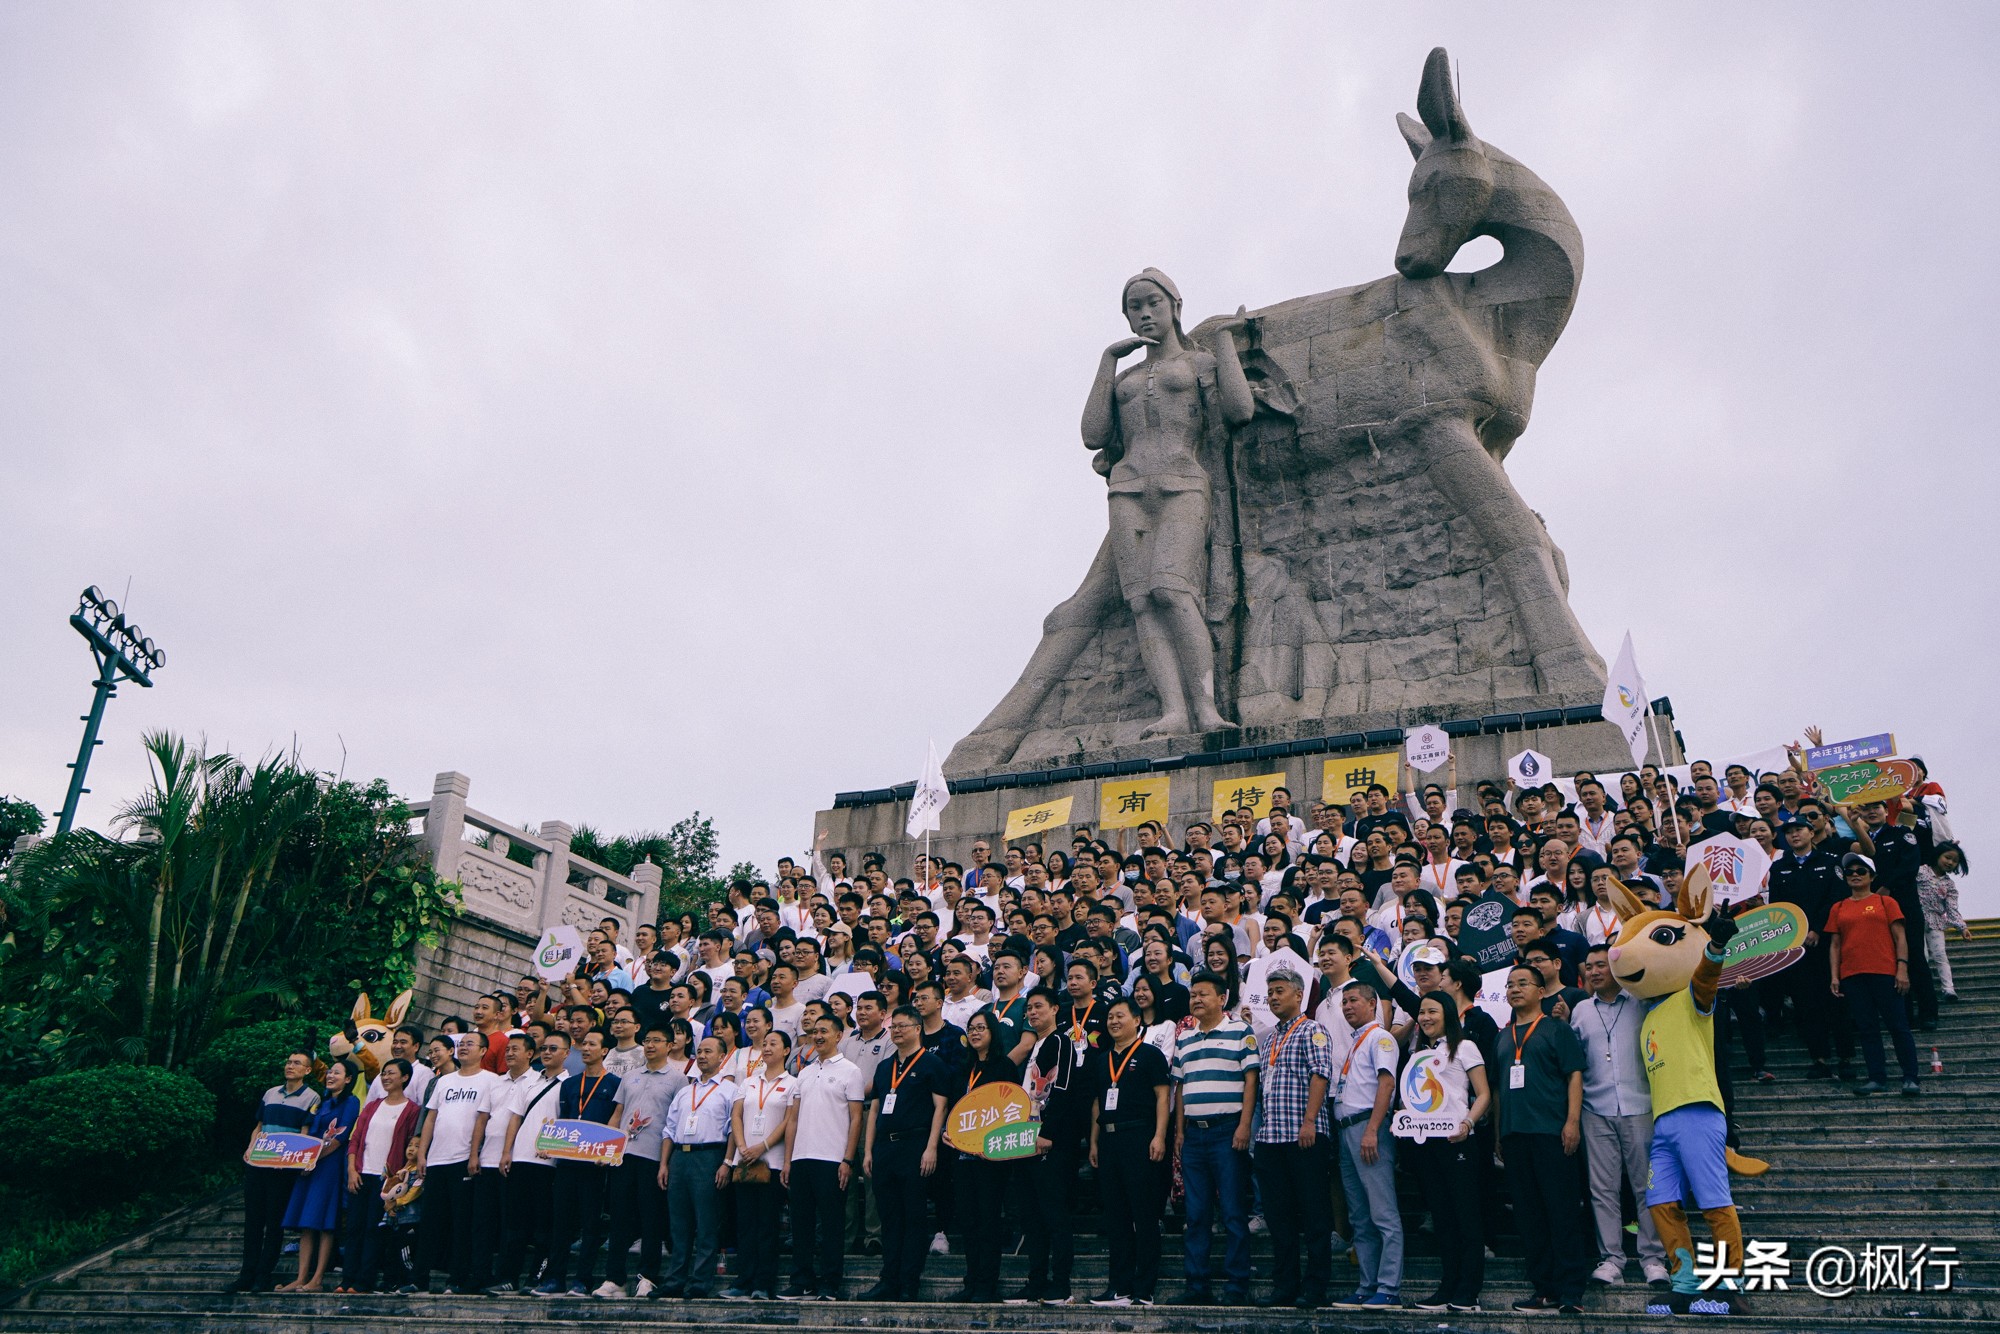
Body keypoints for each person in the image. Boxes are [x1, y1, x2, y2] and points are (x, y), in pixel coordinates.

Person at [1570, 946, 1669, 1287]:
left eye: (1601, 965)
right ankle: (1611, 1259)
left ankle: (1653, 1258)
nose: (1594, 972)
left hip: (1640, 1104)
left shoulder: (1641, 1002)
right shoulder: (1580, 1010)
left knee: (1647, 1187)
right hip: (1595, 1109)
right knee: (1602, 1189)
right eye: (1589, 967)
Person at [1496, 963, 1589, 1315]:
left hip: (1551, 1131)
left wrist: (1572, 1122)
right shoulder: (1502, 1037)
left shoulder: (1555, 1029)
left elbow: (1574, 1075)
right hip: (1514, 1135)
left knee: (1561, 1211)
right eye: (1510, 984)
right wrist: (1499, 1132)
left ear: (1540, 991)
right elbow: (1497, 1087)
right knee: (1529, 1215)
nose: (1515, 989)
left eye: (1523, 983)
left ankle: (1571, 1291)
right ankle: (1544, 1289)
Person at [1172, 970, 1259, 1306]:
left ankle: (1236, 1286)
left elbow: (1251, 1080)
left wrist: (1244, 1126)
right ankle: (1197, 1286)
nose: (1196, 999)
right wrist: (1180, 1131)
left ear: (1222, 999)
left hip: (1228, 1131)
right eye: (1193, 994)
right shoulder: (1185, 1038)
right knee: (1196, 1215)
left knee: (1233, 1211)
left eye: (1203, 994)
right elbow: (1180, 1088)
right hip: (1194, 1135)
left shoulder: (1240, 1031)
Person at [1251, 967, 1334, 1309]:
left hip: (1304, 1136)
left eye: (1279, 991)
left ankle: (1315, 1288)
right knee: (1278, 1218)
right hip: (1271, 1137)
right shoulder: (1270, 1038)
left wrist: (1310, 1121)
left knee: (1314, 1216)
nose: (1273, 997)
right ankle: (1284, 1286)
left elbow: (1321, 1075)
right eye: (1270, 992)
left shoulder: (1313, 1030)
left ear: (1299, 995)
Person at [1403, 994, 1489, 1312]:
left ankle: (1469, 1291)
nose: (1425, 1017)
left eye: (1432, 1011)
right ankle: (1447, 1286)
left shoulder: (1465, 1047)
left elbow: (1483, 1094)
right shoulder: (1418, 1054)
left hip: (1459, 1140)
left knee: (1466, 1216)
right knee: (1442, 1217)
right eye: (1421, 1012)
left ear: (1448, 1014)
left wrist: (1468, 1123)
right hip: (1428, 1142)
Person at [1086, 997, 1171, 1307]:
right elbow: (1098, 1102)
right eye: (1110, 1017)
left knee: (1144, 1214)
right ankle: (1119, 1287)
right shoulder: (1102, 1060)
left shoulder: (1150, 1055)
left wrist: (1159, 1136)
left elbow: (1163, 1097)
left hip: (1140, 1136)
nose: (1113, 1021)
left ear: (1137, 1020)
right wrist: (1094, 1141)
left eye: (1120, 1016)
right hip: (1109, 1140)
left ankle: (1144, 1289)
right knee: (1116, 1215)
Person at [860, 1005, 949, 1302]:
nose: (896, 1031)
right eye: (893, 1026)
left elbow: (940, 1107)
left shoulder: (932, 1064)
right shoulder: (885, 1066)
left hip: (915, 1145)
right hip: (885, 1147)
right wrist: (868, 1150)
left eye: (902, 1026)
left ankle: (909, 1281)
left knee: (913, 1216)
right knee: (890, 1217)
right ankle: (888, 1279)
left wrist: (931, 1147)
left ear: (917, 1028)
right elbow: (874, 1109)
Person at [533, 1029, 624, 1296]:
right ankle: (555, 1278)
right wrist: (550, 1144)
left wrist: (607, 1151)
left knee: (590, 1224)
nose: (585, 1048)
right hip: (567, 1161)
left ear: (604, 1051)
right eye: (584, 1044)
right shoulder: (570, 1084)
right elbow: (563, 1120)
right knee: (561, 1221)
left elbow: (616, 1119)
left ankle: (583, 1279)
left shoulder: (615, 1083)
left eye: (592, 1044)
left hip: (595, 1163)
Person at [1329, 980, 1402, 1309]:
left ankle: (1389, 1286)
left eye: (1353, 1000)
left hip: (1367, 1128)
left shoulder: (1380, 1038)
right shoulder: (1356, 1041)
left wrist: (1373, 1128)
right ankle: (1367, 1284)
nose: (1347, 1006)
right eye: (1344, 1002)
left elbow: (1386, 1083)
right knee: (1359, 1215)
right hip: (1347, 1129)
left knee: (1383, 1213)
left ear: (1373, 1004)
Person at [598, 1022, 684, 1298]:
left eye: (657, 1040)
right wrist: (607, 1148)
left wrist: (665, 1163)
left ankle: (648, 1276)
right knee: (619, 1218)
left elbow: (674, 1124)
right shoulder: (630, 1076)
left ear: (669, 1046)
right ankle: (614, 1279)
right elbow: (617, 1114)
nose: (650, 1045)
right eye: (647, 1040)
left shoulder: (678, 1079)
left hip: (654, 1157)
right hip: (624, 1156)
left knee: (651, 1220)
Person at [785, 1012, 867, 1300]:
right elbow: (793, 1119)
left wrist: (848, 1159)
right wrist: (788, 1160)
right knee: (801, 1224)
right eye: (815, 1031)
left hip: (832, 1158)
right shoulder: (804, 1073)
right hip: (801, 1157)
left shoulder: (850, 1071)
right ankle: (802, 1280)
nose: (818, 1036)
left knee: (832, 1224)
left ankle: (830, 1282)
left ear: (838, 1036)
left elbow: (856, 1119)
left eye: (824, 1031)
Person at [408, 1033, 497, 1295]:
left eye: (470, 1044)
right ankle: (419, 1279)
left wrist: (474, 1154)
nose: (464, 1047)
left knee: (461, 1222)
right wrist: (422, 1154)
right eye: (462, 1044)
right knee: (429, 1222)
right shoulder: (444, 1081)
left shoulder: (491, 1080)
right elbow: (430, 1118)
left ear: (483, 1050)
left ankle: (456, 1278)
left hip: (464, 1159)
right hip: (436, 1159)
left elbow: (484, 1119)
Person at [1825, 854, 1921, 1095]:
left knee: (1898, 1026)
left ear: (1872, 876)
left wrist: (1902, 968)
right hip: (1853, 975)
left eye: (1861, 871)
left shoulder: (1886, 902)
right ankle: (1876, 1077)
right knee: (1867, 1029)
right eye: (1850, 872)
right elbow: (1835, 945)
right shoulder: (1839, 907)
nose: (1855, 875)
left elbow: (1900, 937)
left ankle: (1910, 1077)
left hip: (1885, 972)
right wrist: (1835, 976)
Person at [1013, 986, 1085, 1304]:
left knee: (1054, 1215)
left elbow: (1063, 1089)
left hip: (1050, 1141)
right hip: (1025, 1138)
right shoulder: (1035, 1045)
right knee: (1032, 1217)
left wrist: (1048, 1132)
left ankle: (1061, 1285)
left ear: (1055, 1009)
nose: (1032, 1012)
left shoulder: (1060, 1041)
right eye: (1029, 1008)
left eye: (1038, 1006)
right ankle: (1036, 1282)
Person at [231, 1050, 321, 1293]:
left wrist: (294, 1160)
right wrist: (250, 1148)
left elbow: (305, 1133)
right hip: (259, 1163)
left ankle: (263, 1275)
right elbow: (259, 1126)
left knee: (274, 1223)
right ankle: (246, 1274)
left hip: (283, 1168)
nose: (290, 1066)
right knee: (253, 1222)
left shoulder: (311, 1097)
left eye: (297, 1063)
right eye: (289, 1062)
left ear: (307, 1070)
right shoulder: (271, 1093)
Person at [657, 1034, 739, 1298]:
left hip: (710, 1156)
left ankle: (700, 1282)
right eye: (700, 1051)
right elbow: (669, 1129)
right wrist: (664, 1164)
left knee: (707, 1223)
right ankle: (674, 1280)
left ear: (722, 1057)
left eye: (708, 1051)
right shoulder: (685, 1091)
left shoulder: (730, 1090)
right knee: (678, 1224)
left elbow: (733, 1130)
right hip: (680, 1157)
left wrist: (727, 1162)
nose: (702, 1056)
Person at [950, 1008, 1021, 1302]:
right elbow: (954, 1110)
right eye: (971, 1028)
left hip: (991, 1158)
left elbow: (1012, 1110)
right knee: (968, 1221)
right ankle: (971, 1282)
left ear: (993, 1032)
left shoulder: (1004, 1067)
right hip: (962, 1156)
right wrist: (948, 1133)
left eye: (981, 1027)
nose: (975, 1033)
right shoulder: (963, 1067)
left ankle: (986, 1285)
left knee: (988, 1221)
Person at [489, 1032, 567, 1295]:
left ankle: (537, 1276)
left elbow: (568, 1121)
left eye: (553, 1048)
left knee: (543, 1225)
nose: (547, 1053)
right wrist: (506, 1152)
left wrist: (556, 1148)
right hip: (520, 1158)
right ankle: (507, 1277)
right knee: (515, 1223)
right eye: (544, 1048)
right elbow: (515, 1118)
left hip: (548, 1163)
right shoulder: (530, 1081)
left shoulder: (568, 1084)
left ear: (566, 1053)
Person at [272, 1057, 358, 1292]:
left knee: (325, 1222)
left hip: (329, 1165)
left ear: (348, 1079)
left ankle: (317, 1278)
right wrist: (301, 1159)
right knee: (306, 1221)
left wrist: (312, 1159)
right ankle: (301, 1277)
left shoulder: (351, 1102)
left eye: (337, 1073)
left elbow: (339, 1138)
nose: (330, 1075)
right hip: (309, 1164)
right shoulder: (322, 1102)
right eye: (329, 1072)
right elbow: (309, 1131)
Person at [725, 1029, 795, 1299]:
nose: (766, 1047)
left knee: (767, 1225)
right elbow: (737, 1116)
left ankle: (763, 1284)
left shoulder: (792, 1083)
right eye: (764, 1044)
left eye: (773, 1044)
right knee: (746, 1225)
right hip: (745, 1162)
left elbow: (788, 1121)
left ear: (786, 1050)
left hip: (772, 1162)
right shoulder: (749, 1082)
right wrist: (743, 1147)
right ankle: (743, 1281)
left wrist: (763, 1146)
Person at [342, 1058, 417, 1293]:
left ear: (405, 1078)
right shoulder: (373, 1105)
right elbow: (356, 1139)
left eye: (391, 1073)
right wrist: (352, 1169)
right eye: (384, 1073)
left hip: (385, 1180)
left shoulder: (411, 1110)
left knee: (374, 1230)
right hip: (362, 1173)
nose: (385, 1077)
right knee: (353, 1228)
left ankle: (364, 1280)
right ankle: (347, 1279)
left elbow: (410, 1147)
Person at [1917, 842, 1972, 1001]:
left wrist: (1962, 927)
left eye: (1954, 861)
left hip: (1936, 921)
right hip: (1916, 918)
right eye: (1947, 857)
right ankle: (1922, 988)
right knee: (1922, 955)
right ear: (1938, 855)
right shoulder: (1920, 871)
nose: (1950, 862)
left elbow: (1952, 908)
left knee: (1940, 954)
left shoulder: (1949, 885)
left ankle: (1948, 989)